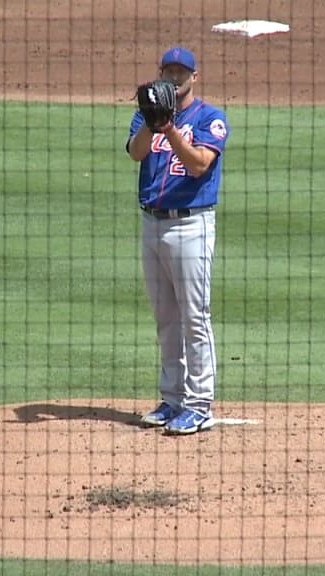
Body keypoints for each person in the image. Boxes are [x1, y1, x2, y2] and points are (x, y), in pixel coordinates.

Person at [124, 46, 230, 435]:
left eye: (181, 72)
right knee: (165, 317)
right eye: (168, 71)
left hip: (191, 225)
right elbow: (136, 154)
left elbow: (200, 164)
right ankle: (172, 399)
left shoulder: (210, 118)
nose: (174, 77)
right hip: (151, 223)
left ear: (194, 77)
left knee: (194, 317)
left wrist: (170, 129)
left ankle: (199, 404)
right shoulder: (145, 115)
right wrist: (153, 123)